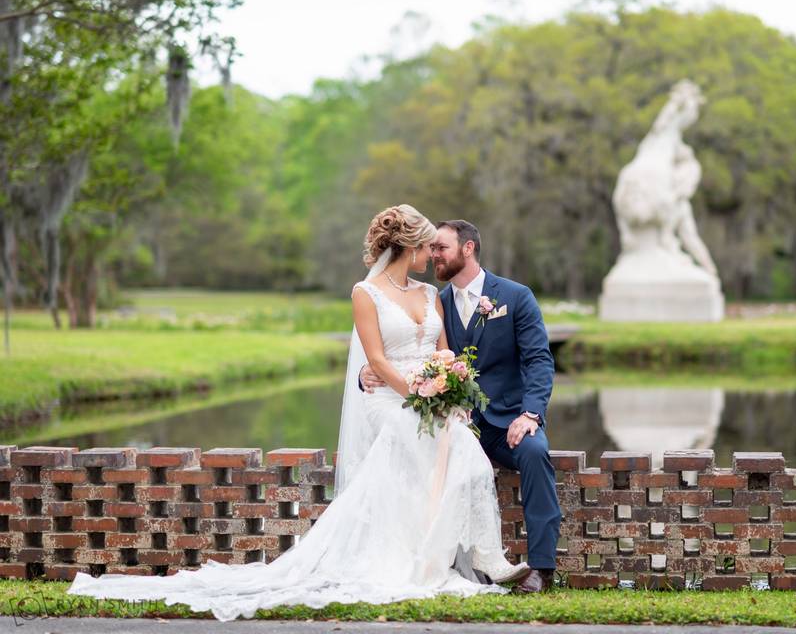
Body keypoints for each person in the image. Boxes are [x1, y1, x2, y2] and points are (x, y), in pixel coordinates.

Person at [66, 205, 528, 622]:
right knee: (412, 438)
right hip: (392, 399)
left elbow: (444, 350)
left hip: (430, 398)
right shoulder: (365, 293)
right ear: (409, 245)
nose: (432, 253)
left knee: (466, 448)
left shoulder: (430, 295)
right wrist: (417, 394)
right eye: (427, 244)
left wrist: (447, 387)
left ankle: (487, 558)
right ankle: (415, 560)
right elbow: (378, 360)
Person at [361, 219, 562, 594]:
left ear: (467, 249)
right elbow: (404, 349)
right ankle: (434, 561)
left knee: (536, 453)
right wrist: (366, 371)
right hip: (451, 421)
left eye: (441, 248)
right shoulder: (434, 300)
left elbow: (539, 361)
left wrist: (531, 414)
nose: (433, 254)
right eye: (431, 248)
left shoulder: (516, 297)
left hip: (506, 422)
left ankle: (541, 568)